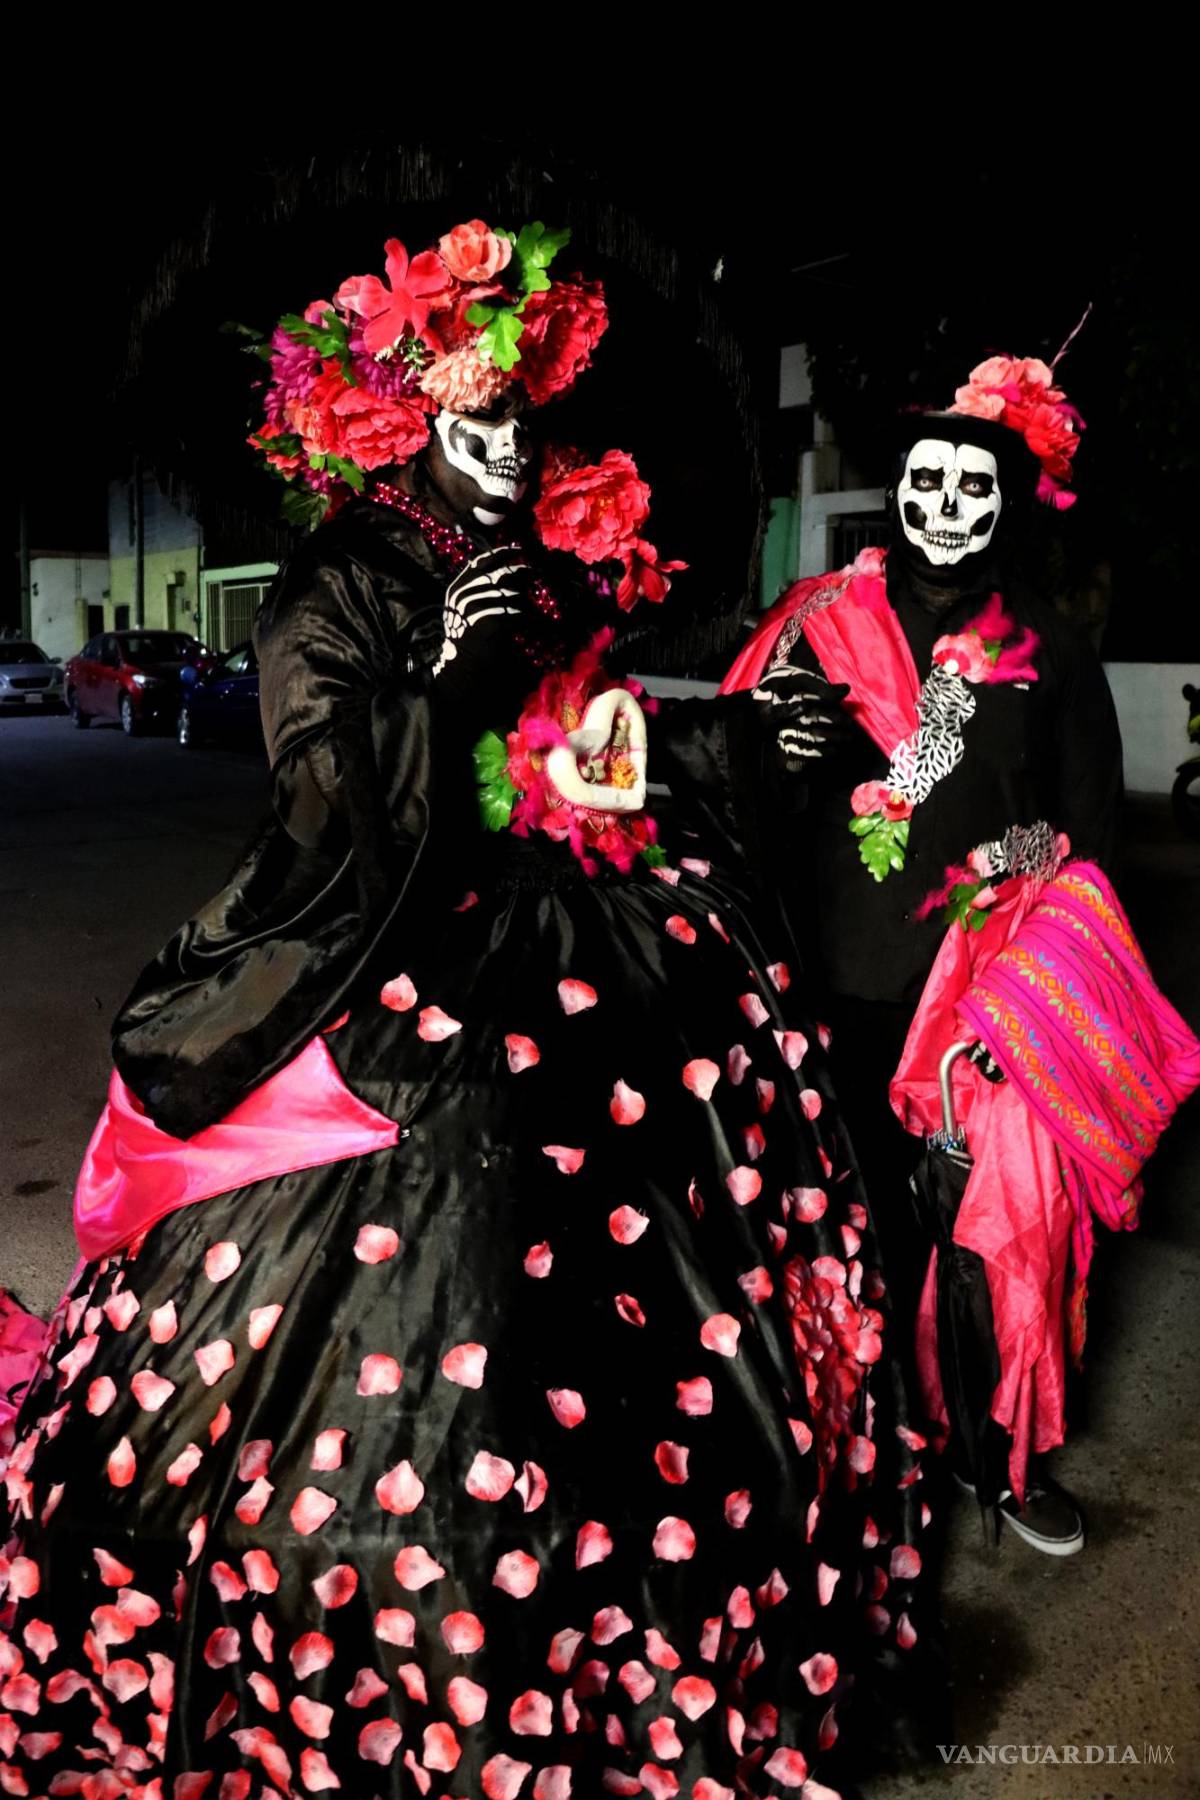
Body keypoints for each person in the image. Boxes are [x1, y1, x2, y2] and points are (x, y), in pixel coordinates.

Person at [1, 219, 935, 1799]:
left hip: (576, 931)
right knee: (455, 1196)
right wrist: (444, 680)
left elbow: (593, 745)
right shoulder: (336, 581)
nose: (506, 456)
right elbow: (323, 798)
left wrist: (725, 745)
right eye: (473, 425)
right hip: (387, 953)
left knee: (666, 1184)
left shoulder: (539, 563)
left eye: (520, 428)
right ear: (404, 422)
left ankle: (622, 1579)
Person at [723, 352, 1123, 1556]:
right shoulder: (814, 624)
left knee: (999, 1235)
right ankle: (857, 1450)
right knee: (849, 1230)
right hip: (832, 980)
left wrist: (1024, 868)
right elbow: (739, 783)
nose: (944, 505)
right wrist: (775, 755)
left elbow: (1092, 836)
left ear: (1007, 501)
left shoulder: (1049, 648)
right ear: (896, 490)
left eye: (971, 485)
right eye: (925, 481)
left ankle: (994, 1458)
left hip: (983, 998)